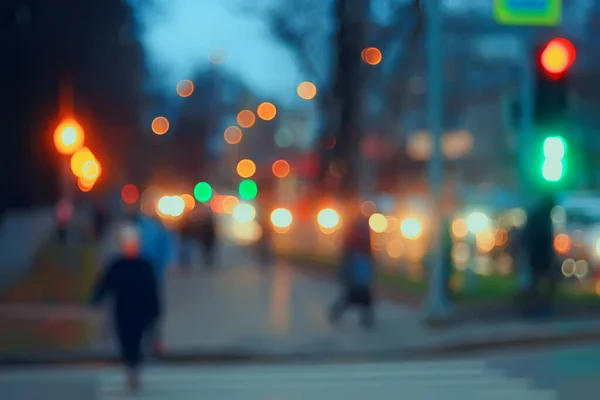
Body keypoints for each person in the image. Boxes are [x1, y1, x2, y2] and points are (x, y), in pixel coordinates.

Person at [91, 224, 160, 393]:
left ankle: (133, 371)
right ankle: (131, 370)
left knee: (136, 343)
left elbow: (153, 291)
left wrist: (155, 313)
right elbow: (105, 285)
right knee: (125, 342)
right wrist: (96, 299)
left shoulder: (145, 265)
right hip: (122, 312)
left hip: (141, 313)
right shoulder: (117, 266)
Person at [328, 203, 375, 328]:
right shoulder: (357, 230)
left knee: (359, 297)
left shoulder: (361, 230)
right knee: (355, 296)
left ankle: (366, 319)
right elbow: (351, 250)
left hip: (360, 266)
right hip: (356, 266)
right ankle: (365, 319)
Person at [522, 194, 557, 316]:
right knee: (542, 281)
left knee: (536, 281)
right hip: (540, 254)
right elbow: (544, 238)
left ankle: (533, 307)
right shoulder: (543, 217)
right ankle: (541, 307)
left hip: (535, 253)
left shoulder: (536, 214)